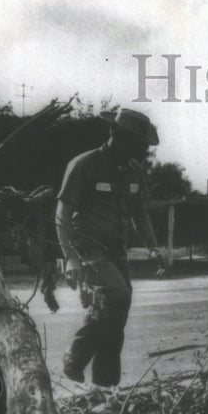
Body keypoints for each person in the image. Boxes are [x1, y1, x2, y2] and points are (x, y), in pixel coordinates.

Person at [56, 107, 166, 387]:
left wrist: (154, 248)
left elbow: (139, 213)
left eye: (142, 146)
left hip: (117, 252)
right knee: (117, 295)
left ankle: (105, 389)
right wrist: (71, 258)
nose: (140, 151)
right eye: (135, 144)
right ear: (114, 133)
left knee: (116, 323)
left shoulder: (133, 171)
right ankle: (75, 356)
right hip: (88, 248)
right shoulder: (84, 164)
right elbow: (62, 214)